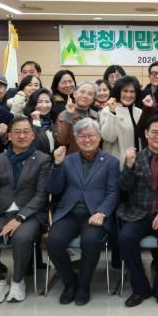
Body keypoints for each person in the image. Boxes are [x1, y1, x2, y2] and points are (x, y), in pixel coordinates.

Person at [0, 116, 51, 304]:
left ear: (33, 135)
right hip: (1, 212)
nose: (22, 136)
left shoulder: (43, 159)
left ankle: (18, 281)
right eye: (17, 132)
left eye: (26, 132)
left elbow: (41, 195)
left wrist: (20, 217)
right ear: (9, 136)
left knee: (22, 237)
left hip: (30, 214)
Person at [46, 118, 119, 305]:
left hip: (95, 214)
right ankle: (70, 282)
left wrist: (102, 212)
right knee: (53, 242)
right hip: (69, 213)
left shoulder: (111, 162)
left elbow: (113, 193)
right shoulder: (67, 160)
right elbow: (53, 189)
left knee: (91, 241)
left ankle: (84, 286)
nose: (87, 140)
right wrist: (57, 164)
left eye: (91, 136)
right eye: (82, 136)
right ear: (76, 139)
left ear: (99, 137)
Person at [117, 115, 158, 307]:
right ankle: (140, 287)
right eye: (154, 132)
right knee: (126, 238)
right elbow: (124, 187)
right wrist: (128, 166)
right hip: (138, 213)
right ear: (146, 134)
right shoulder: (134, 157)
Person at [99, 76, 141, 164]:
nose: (128, 95)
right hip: (115, 164)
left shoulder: (139, 112)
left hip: (137, 163)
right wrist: (112, 112)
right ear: (118, 92)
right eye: (125, 91)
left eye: (132, 91)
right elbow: (109, 138)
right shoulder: (107, 110)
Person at [54, 81, 99, 154]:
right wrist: (69, 115)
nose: (85, 96)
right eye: (82, 92)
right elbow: (61, 141)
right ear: (75, 94)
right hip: (71, 158)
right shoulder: (63, 115)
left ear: (94, 99)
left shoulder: (96, 116)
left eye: (90, 94)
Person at [23, 88, 56, 155]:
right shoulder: (25, 123)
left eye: (47, 102)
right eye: (39, 102)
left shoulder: (51, 122)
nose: (44, 106)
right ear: (33, 104)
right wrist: (36, 122)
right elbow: (36, 146)